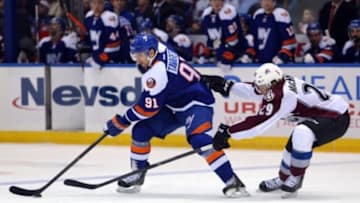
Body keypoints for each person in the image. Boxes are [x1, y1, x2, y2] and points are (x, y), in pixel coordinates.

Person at [102, 33, 250, 198]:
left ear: (151, 53)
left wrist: (122, 121)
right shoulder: (160, 48)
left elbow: (147, 108)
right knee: (141, 130)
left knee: (200, 140)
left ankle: (232, 182)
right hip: (173, 104)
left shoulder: (157, 72)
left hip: (196, 103)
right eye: (134, 54)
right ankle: (138, 174)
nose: (137, 59)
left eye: (140, 55)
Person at [201, 63, 350, 198]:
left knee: (302, 132)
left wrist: (229, 132)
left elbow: (258, 125)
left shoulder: (283, 96)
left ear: (272, 84)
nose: (260, 89)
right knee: (293, 145)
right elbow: (255, 90)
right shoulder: (276, 84)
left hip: (336, 119)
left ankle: (296, 177)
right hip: (323, 115)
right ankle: (284, 178)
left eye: (263, 87)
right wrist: (229, 86)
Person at [201, 0, 250, 72]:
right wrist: (208, 51)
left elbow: (233, 39)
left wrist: (228, 53)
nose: (216, 2)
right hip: (220, 51)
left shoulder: (228, 11)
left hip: (237, 51)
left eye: (219, 0)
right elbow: (211, 37)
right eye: (213, 0)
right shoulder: (206, 14)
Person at [84, 0, 121, 68]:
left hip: (110, 60)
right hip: (95, 57)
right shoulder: (88, 16)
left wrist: (101, 59)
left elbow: (114, 44)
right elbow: (89, 37)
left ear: (103, 4)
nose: (97, 6)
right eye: (94, 3)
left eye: (99, 3)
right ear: (90, 4)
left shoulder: (110, 17)